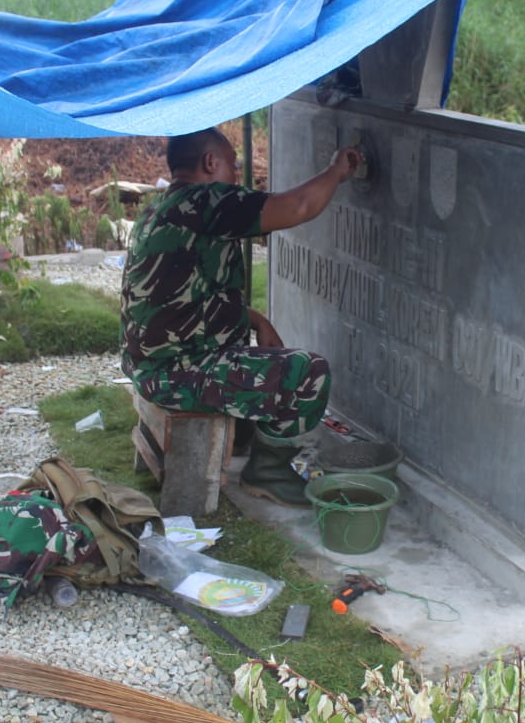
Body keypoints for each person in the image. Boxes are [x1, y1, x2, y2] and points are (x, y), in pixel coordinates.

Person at [121, 127, 361, 507]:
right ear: (210, 163)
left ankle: (249, 439)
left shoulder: (161, 209)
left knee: (256, 359)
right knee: (308, 372)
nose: (237, 175)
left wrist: (256, 320)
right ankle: (268, 470)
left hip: (152, 366)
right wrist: (335, 171)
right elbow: (298, 206)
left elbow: (189, 295)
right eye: (233, 166)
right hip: (176, 374)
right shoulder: (206, 201)